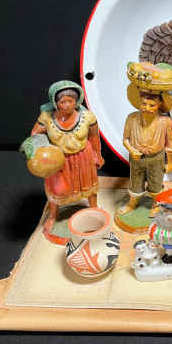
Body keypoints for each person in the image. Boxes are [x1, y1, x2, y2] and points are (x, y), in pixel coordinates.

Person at [30, 80, 104, 242]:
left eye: (70, 101)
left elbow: (94, 136)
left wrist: (97, 155)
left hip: (83, 157)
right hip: (59, 161)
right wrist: (45, 152)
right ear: (55, 102)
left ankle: (94, 209)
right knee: (56, 190)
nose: (66, 105)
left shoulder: (87, 117)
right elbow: (35, 134)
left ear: (77, 101)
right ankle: (53, 216)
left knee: (89, 185)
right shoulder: (47, 117)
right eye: (62, 102)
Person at [118, 91, 172, 216]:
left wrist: (170, 162)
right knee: (135, 182)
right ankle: (132, 203)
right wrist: (132, 150)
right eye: (144, 104)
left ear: (159, 105)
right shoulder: (132, 118)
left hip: (156, 159)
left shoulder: (166, 122)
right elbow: (125, 139)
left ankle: (156, 204)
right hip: (136, 158)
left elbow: (170, 145)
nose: (147, 108)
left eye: (152, 105)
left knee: (156, 183)